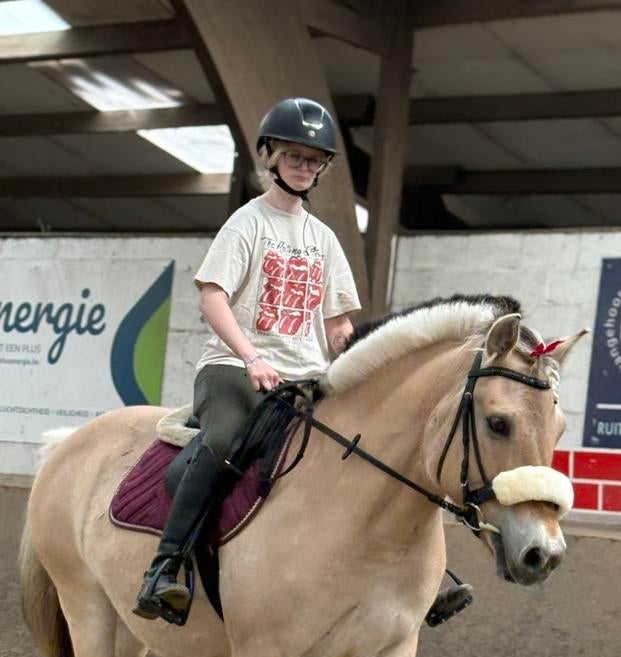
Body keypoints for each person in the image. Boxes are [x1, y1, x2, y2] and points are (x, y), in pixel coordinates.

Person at [133, 97, 472, 627]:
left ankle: (421, 581)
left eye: (314, 161)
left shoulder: (325, 240)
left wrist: (354, 350)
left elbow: (337, 324)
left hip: (305, 377)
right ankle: (165, 569)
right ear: (270, 156)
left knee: (369, 447)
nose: (305, 167)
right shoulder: (247, 224)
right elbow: (213, 298)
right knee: (222, 443)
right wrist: (250, 358)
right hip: (233, 370)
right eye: (295, 156)